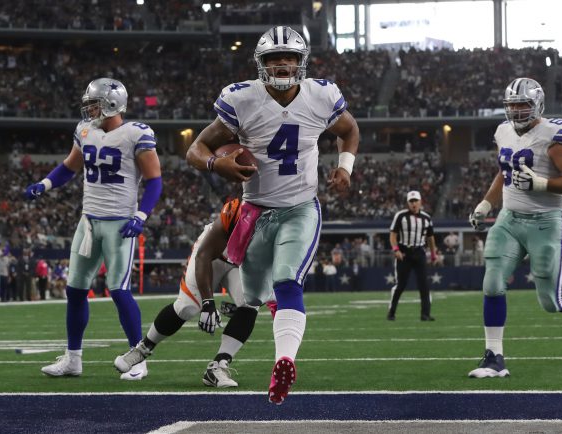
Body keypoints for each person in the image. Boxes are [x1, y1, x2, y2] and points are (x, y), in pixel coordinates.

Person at [186, 25, 359, 405]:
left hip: (299, 209)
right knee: (251, 297)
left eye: (290, 57)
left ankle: (283, 362)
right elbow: (195, 148)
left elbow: (349, 130)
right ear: (261, 64)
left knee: (286, 282)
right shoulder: (241, 99)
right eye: (273, 58)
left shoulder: (321, 95)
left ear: (302, 62)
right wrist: (218, 164)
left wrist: (345, 166)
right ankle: (222, 361)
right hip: (254, 212)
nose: (282, 64)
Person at [468, 77, 562, 378]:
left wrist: (542, 183)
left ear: (538, 104)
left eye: (523, 104)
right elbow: (504, 173)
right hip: (509, 219)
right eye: (512, 105)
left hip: (545, 222)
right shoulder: (503, 130)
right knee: (492, 280)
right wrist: (485, 204)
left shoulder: (554, 133)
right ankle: (494, 358)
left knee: (551, 301)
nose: (517, 111)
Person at [24, 78, 163, 380]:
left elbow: (155, 180)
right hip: (88, 222)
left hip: (120, 224)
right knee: (75, 291)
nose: (89, 108)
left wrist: (141, 215)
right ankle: (73, 359)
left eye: (94, 103)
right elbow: (69, 167)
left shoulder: (135, 134)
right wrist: (44, 184)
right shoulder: (85, 130)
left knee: (119, 291)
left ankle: (138, 360)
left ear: (112, 104)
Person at [114, 198, 272, 388]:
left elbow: (268, 277)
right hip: (213, 256)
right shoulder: (236, 211)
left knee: (251, 303)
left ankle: (218, 366)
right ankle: (143, 348)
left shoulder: (283, 220)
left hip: (241, 264)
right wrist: (208, 303)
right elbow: (204, 255)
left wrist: (246, 306)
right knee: (188, 307)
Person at [387, 190, 437, 321]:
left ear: (421, 202)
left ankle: (425, 314)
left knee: (424, 284)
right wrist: (396, 249)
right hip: (404, 252)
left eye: (416, 201)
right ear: (408, 203)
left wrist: (433, 254)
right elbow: (393, 234)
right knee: (401, 284)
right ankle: (391, 312)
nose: (414, 204)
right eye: (411, 201)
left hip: (419, 252)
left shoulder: (426, 218)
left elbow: (430, 238)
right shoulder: (400, 216)